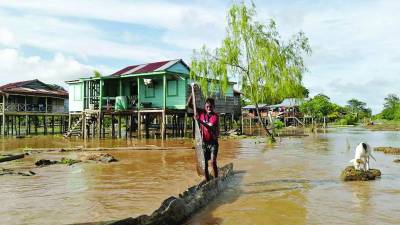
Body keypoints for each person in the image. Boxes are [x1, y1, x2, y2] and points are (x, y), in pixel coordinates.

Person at [188, 93, 220, 181]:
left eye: (211, 107)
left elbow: (210, 127)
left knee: (213, 162)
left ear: (213, 107)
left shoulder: (215, 116)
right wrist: (192, 93)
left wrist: (199, 121)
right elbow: (189, 105)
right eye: (207, 107)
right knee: (204, 164)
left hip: (213, 143)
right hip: (204, 143)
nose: (209, 108)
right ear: (205, 107)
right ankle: (207, 181)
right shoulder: (202, 113)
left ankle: (216, 180)